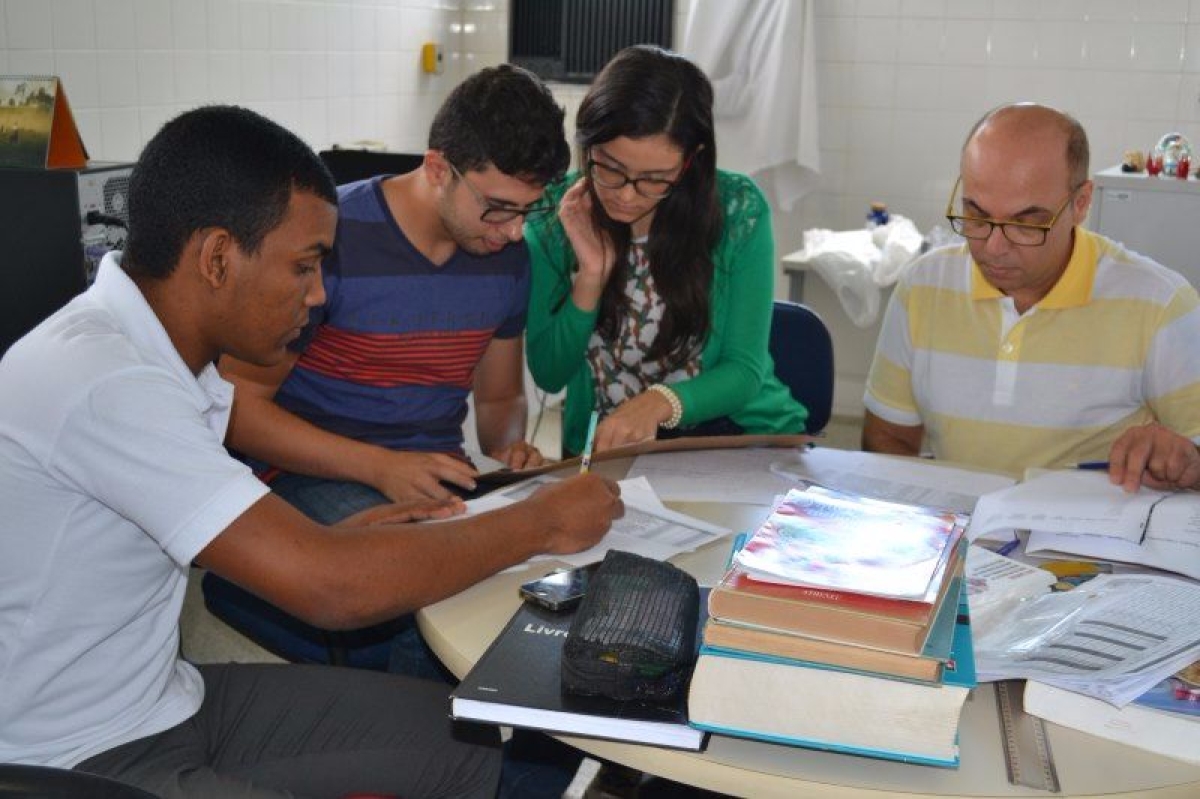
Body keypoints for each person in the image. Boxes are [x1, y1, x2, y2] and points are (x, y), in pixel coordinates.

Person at [0, 105, 622, 798]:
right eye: (305, 266)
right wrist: (542, 521)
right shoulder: (106, 379)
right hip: (72, 757)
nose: (320, 292)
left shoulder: (167, 355)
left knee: (462, 737)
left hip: (163, 697)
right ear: (216, 258)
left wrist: (342, 539)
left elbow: (181, 535)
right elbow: (331, 589)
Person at [220, 64, 571, 522]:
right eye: (498, 207)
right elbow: (237, 406)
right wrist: (381, 467)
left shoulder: (507, 258)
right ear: (438, 169)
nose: (512, 230)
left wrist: (511, 452)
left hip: (434, 478)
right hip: (307, 475)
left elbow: (498, 399)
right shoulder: (330, 237)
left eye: (528, 209)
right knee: (408, 571)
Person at [863, 102, 1200, 491]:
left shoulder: (1160, 304)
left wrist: (1188, 462)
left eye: (1026, 224)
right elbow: (887, 440)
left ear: (1081, 203)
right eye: (976, 214)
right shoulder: (923, 286)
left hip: (1082, 545)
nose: (993, 246)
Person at [525, 45, 807, 457]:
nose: (625, 195)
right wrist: (590, 276)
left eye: (654, 178)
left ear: (691, 162)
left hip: (734, 440)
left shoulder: (737, 211)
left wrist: (659, 403)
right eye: (610, 167)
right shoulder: (556, 215)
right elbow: (550, 375)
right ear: (587, 145)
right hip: (608, 452)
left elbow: (744, 372)